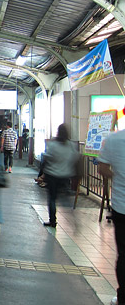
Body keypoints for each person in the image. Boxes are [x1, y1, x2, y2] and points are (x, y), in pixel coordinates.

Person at [98, 128, 125, 305]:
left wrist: (118, 175)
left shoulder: (113, 139)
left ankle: (123, 297)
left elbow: (102, 168)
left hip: (122, 207)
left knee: (123, 254)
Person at [41, 124, 80, 228]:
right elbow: (75, 158)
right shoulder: (71, 145)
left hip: (52, 175)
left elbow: (47, 157)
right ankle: (74, 220)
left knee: (52, 199)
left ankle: (53, 221)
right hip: (65, 176)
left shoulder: (53, 145)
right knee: (65, 199)